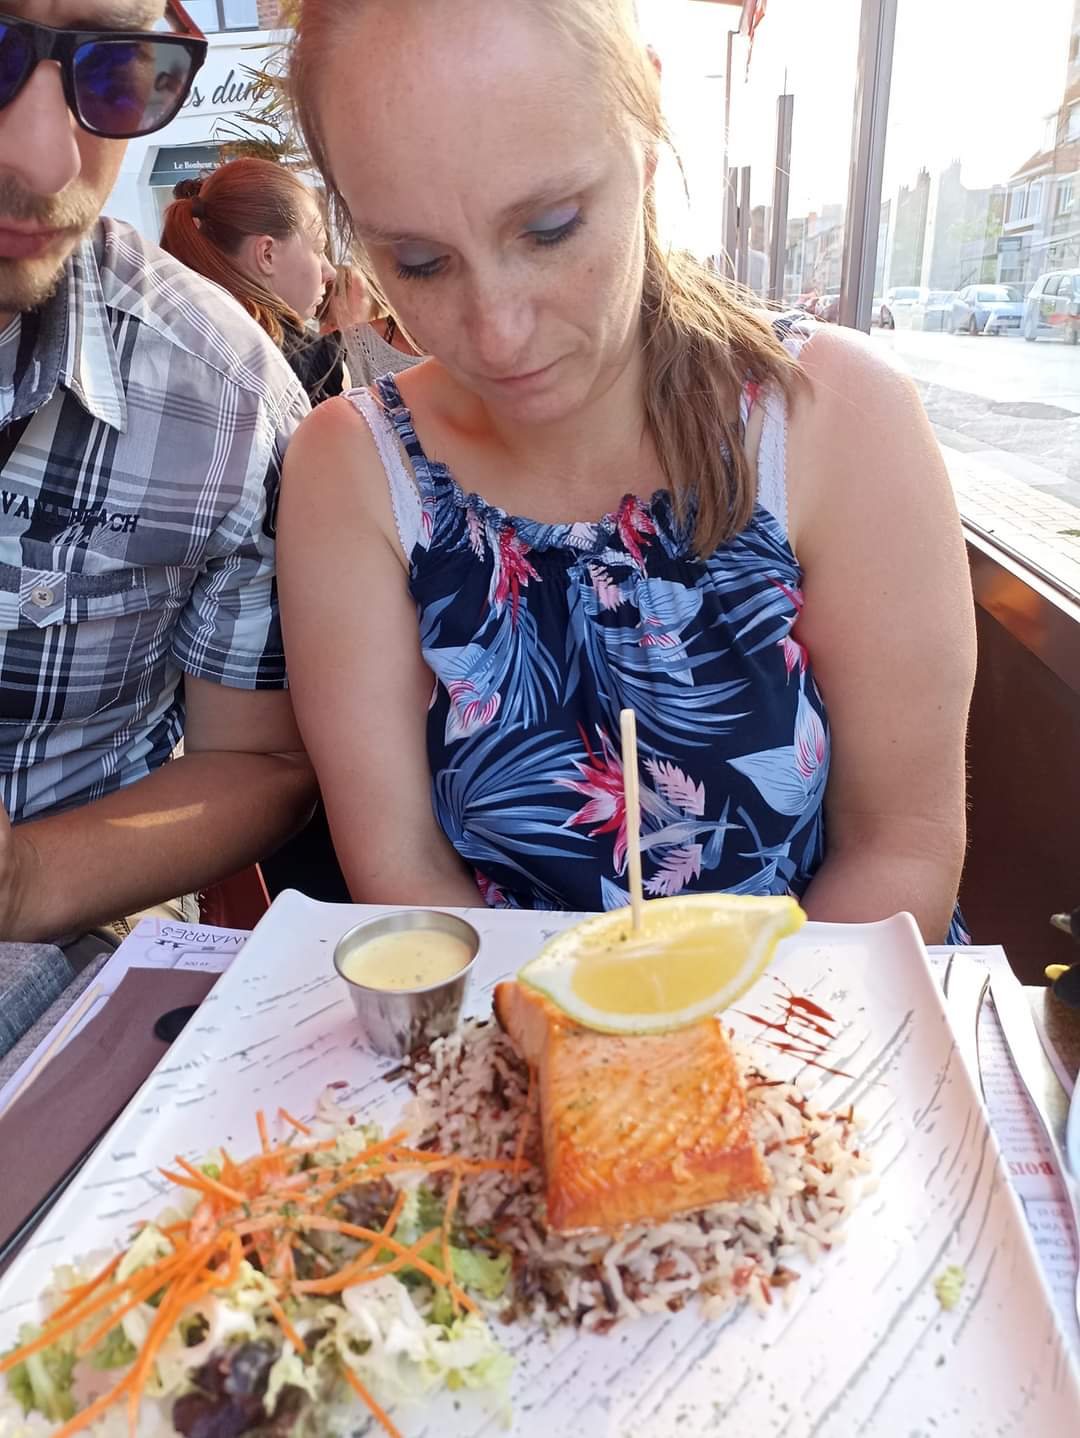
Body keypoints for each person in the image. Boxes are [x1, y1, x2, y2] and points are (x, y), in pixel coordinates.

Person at [279, 0, 976, 944]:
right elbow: (404, 872)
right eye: (419, 262)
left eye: (551, 227)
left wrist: (710, 1040)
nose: (498, 334)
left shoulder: (832, 416)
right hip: (503, 1016)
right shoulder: (352, 469)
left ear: (644, 118)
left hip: (821, 1007)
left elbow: (900, 845)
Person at [0, 0, 315, 949]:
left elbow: (261, 759)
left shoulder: (228, 403)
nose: (48, 163)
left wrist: (24, 880)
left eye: (116, 70)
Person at [161, 157, 341, 406]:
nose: (330, 272)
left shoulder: (173, 342)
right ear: (267, 254)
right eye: (319, 249)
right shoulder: (311, 366)